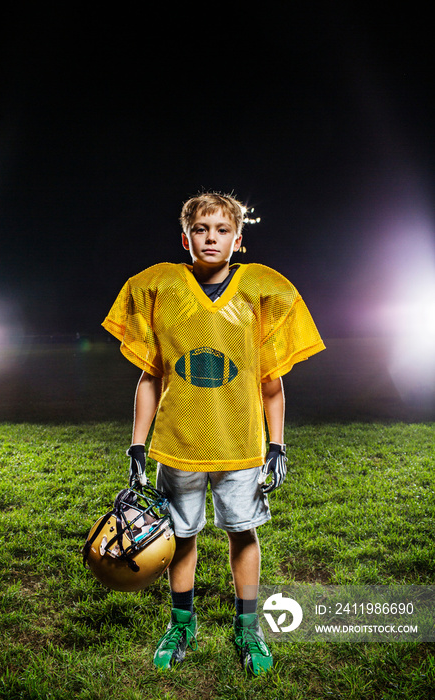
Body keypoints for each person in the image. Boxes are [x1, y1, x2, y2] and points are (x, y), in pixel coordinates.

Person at [102, 191, 325, 675]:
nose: (210, 238)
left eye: (222, 230)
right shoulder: (161, 286)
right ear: (185, 238)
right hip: (179, 442)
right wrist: (138, 442)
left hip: (240, 443)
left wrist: (278, 444)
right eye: (201, 229)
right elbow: (150, 377)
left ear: (238, 240)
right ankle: (182, 623)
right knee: (181, 535)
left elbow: (271, 384)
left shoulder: (259, 290)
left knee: (242, 532)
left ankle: (249, 628)